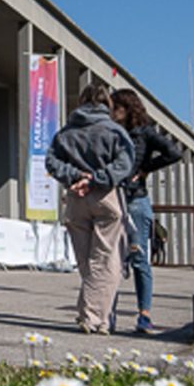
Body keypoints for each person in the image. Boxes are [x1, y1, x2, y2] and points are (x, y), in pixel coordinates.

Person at [46, 83, 135, 334]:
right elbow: (125, 164)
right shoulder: (115, 132)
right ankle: (94, 319)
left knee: (86, 263)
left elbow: (51, 162)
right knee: (105, 262)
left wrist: (75, 176)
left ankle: (97, 316)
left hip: (75, 198)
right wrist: (96, 178)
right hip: (105, 197)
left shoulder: (65, 133)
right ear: (106, 103)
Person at [109, 89, 185, 333]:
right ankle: (106, 313)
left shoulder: (144, 132)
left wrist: (145, 169)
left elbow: (174, 152)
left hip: (136, 201)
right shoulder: (110, 133)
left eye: (116, 107)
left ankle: (144, 314)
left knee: (140, 259)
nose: (111, 111)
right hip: (112, 200)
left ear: (127, 108)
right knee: (111, 260)